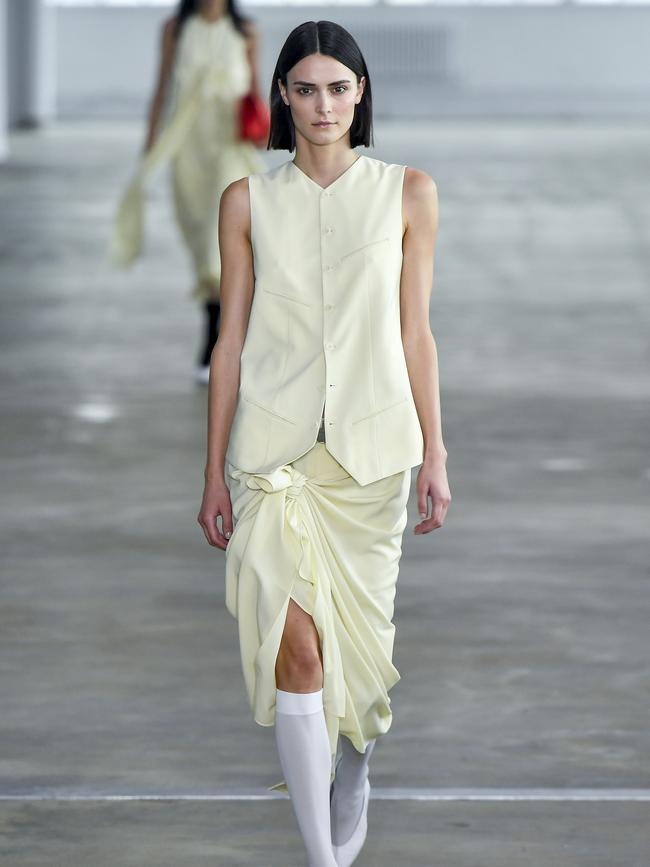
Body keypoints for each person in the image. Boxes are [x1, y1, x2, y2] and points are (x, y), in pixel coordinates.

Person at [197, 19, 450, 867]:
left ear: (362, 94)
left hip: (373, 457)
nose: (323, 104)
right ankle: (321, 858)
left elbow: (416, 331)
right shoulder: (247, 200)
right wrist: (211, 474)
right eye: (305, 88)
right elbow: (228, 341)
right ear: (281, 97)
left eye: (339, 87)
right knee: (294, 648)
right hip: (270, 454)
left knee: (360, 655)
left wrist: (438, 455)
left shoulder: (408, 191)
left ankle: (357, 760)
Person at [111, 0, 266, 384]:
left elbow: (256, 89)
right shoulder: (175, 29)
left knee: (222, 238)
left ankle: (218, 339)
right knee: (200, 238)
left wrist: (263, 127)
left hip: (228, 147)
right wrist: (150, 149)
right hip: (187, 148)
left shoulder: (246, 31)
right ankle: (216, 328)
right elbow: (162, 87)